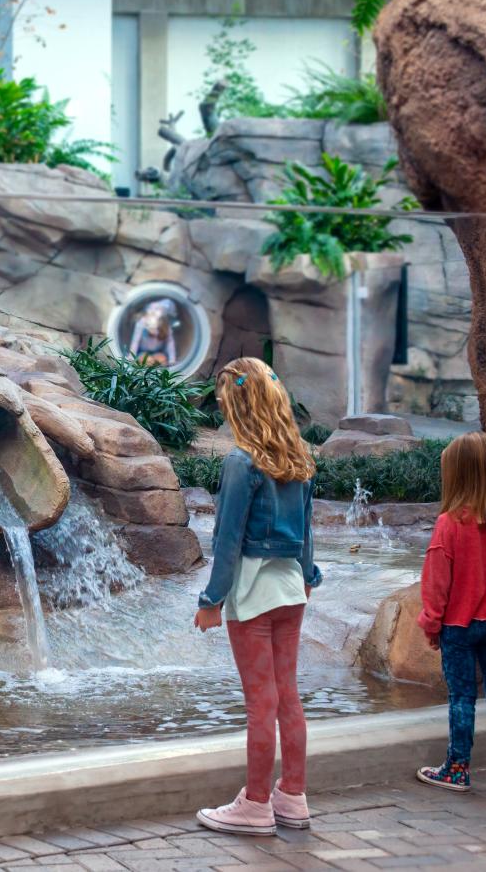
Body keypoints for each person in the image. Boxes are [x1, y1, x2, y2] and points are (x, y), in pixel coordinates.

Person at [193, 356, 321, 836]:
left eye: (225, 401)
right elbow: (308, 533)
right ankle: (293, 795)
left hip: (252, 590)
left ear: (239, 404)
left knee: (260, 703)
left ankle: (255, 804)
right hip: (291, 588)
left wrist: (211, 600)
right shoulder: (299, 458)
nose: (222, 409)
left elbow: (228, 539)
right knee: (288, 695)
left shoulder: (240, 462)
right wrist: (309, 575)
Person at [416, 431, 486, 796]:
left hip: (459, 627)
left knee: (462, 699)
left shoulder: (449, 524)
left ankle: (457, 768)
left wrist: (431, 624)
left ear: (457, 476)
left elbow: (437, 582)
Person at [128, 299, 178, 366]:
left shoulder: (165, 324)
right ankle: (148, 364)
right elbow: (135, 340)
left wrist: (172, 359)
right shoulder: (142, 322)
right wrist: (131, 357)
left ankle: (154, 364)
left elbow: (170, 342)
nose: (153, 311)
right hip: (143, 351)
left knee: (162, 360)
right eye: (151, 309)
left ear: (162, 313)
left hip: (158, 351)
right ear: (147, 310)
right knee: (147, 360)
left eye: (157, 309)